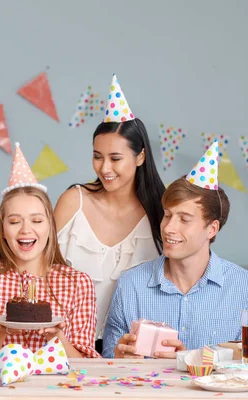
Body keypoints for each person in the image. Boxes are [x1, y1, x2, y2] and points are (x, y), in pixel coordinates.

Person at [102, 141, 248, 358]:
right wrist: (120, 358)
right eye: (167, 215)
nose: (169, 228)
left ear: (212, 228)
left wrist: (190, 360)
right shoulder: (130, 285)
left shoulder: (247, 289)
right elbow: (109, 362)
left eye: (184, 219)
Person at [55, 74, 165, 352]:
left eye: (115, 158)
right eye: (97, 156)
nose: (104, 168)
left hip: (131, 350)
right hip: (66, 345)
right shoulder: (73, 201)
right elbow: (39, 268)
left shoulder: (161, 212)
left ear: (140, 157)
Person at [0, 143, 99, 358]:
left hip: (55, 389)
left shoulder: (77, 283)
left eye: (37, 220)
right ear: (3, 229)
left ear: (50, 226)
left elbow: (85, 366)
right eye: (14, 221)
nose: (25, 230)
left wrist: (55, 337)